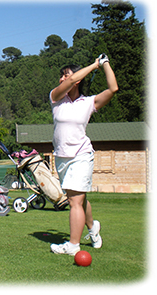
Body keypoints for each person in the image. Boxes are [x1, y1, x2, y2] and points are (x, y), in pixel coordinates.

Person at [49, 54, 118, 255]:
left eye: (66, 75)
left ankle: (73, 245)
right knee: (78, 198)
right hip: (62, 157)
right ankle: (92, 227)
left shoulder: (88, 103)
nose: (62, 79)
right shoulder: (55, 98)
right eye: (60, 76)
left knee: (74, 201)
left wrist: (104, 65)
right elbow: (71, 81)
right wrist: (93, 65)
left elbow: (113, 89)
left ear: (79, 79)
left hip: (81, 154)